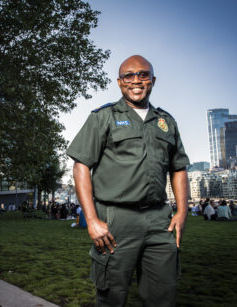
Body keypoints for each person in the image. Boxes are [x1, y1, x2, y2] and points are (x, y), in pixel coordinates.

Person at [67, 55, 190, 307]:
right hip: (116, 221)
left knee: (163, 296)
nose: (136, 80)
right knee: (111, 296)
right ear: (119, 82)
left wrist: (182, 212)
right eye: (129, 76)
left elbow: (179, 168)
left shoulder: (166, 122)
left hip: (159, 221)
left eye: (143, 75)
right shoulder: (104, 117)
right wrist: (91, 220)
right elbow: (81, 166)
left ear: (153, 80)